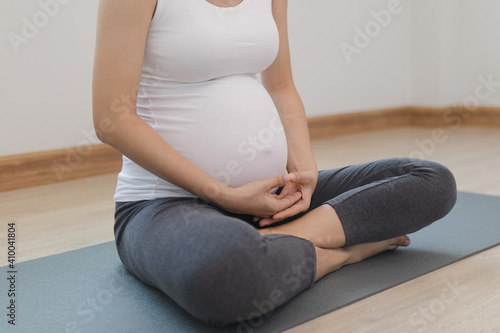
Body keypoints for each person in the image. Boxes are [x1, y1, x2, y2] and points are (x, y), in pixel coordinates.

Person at [92, 0, 457, 328]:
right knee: (225, 274)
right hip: (164, 206)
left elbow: (281, 86)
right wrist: (223, 195)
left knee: (431, 181)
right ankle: (338, 255)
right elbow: (112, 118)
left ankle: (269, 243)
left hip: (272, 201)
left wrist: (305, 171)